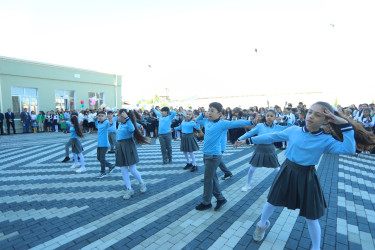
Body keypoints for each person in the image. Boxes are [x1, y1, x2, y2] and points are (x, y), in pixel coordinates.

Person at [235, 101, 375, 250]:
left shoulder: (326, 139)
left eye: (318, 114)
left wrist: (343, 123)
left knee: (311, 215)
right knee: (272, 201)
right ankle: (261, 225)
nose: (311, 116)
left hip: (307, 175)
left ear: (327, 120)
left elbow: (348, 149)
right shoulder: (293, 130)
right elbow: (272, 136)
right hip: (287, 170)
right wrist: (247, 140)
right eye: (310, 112)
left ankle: (316, 247)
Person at [195, 102, 252, 211]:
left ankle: (206, 202)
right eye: (209, 110)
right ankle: (220, 198)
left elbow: (237, 123)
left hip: (214, 155)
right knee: (213, 178)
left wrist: (251, 121)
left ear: (220, 113)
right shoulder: (206, 121)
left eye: (212, 111)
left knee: (208, 179)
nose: (210, 112)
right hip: (206, 154)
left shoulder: (222, 123)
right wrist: (203, 114)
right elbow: (197, 120)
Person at [235, 110, 291, 192]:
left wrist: (285, 117)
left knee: (277, 169)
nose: (269, 117)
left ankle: (284, 186)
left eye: (272, 116)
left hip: (270, 149)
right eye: (267, 115)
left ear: (275, 118)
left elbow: (290, 126)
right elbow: (249, 133)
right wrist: (239, 139)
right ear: (265, 116)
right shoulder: (260, 126)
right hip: (259, 149)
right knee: (251, 169)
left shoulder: (277, 127)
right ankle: (248, 184)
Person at [116, 109, 150, 199]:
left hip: (128, 146)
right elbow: (135, 124)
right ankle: (129, 189)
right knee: (123, 169)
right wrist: (139, 125)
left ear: (123, 117)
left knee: (132, 169)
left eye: (118, 115)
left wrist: (127, 118)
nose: (117, 117)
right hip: (120, 146)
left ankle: (142, 183)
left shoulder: (127, 124)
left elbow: (132, 128)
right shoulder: (120, 123)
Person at [95, 111, 115, 178]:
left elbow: (109, 124)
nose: (100, 117)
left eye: (102, 116)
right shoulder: (99, 123)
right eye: (99, 116)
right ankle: (110, 166)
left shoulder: (106, 122)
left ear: (105, 117)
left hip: (104, 144)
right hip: (99, 144)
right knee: (99, 158)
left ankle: (103, 172)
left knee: (102, 159)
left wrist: (111, 123)